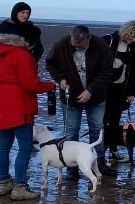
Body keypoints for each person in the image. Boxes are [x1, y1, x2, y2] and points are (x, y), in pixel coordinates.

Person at [45, 25, 116, 178]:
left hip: (96, 96)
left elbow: (107, 71)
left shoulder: (101, 46)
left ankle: (100, 164)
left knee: (97, 129)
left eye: (80, 45)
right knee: (71, 132)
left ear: (88, 40)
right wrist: (60, 79)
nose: (75, 46)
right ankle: (72, 169)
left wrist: (91, 90)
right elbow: (50, 63)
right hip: (70, 97)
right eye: (73, 43)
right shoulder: (61, 44)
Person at [0, 30, 56, 200]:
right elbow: (31, 84)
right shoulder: (23, 55)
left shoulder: (3, 53)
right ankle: (20, 186)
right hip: (19, 104)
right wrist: (50, 86)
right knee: (25, 147)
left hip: (3, 101)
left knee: (4, 145)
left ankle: (4, 182)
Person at [102, 20, 135, 164]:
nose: (134, 40)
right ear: (127, 31)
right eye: (133, 36)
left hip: (120, 90)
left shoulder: (133, 48)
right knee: (102, 121)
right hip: (103, 88)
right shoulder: (108, 40)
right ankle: (99, 152)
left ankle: (113, 151)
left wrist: (132, 92)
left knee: (115, 122)